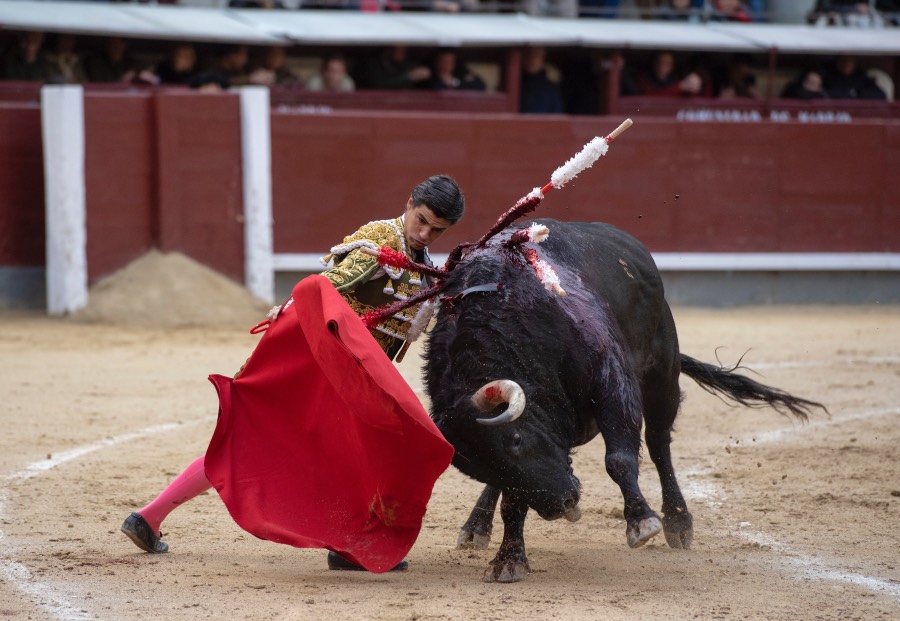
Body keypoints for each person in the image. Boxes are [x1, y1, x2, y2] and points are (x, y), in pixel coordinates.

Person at [120, 175, 465, 573]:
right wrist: (289, 308)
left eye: (437, 230)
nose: (424, 233)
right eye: (421, 220)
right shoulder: (382, 241)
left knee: (336, 452)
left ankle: (150, 517)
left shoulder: (421, 262)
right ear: (409, 203)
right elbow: (326, 286)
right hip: (325, 372)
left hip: (350, 380)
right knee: (269, 447)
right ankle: (150, 516)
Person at [633, 51, 710, 98]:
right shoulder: (644, 78)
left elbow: (693, 102)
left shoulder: (677, 79)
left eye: (667, 64)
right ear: (654, 63)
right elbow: (650, 99)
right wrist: (679, 87)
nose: (662, 67)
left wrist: (694, 85)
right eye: (660, 62)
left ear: (672, 66)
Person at [359, 45, 431, 90]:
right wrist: (408, 77)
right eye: (399, 47)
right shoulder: (375, 62)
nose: (402, 51)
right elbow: (379, 85)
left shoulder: (410, 63)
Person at [519, 46, 565, 114]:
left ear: (543, 58)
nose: (532, 59)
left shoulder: (550, 85)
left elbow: (557, 114)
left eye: (536, 55)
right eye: (528, 54)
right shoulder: (516, 82)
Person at [820, 54, 887, 99]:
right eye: (842, 60)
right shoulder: (827, 77)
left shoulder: (861, 77)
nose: (845, 63)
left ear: (855, 61)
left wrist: (856, 94)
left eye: (849, 60)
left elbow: (880, 96)